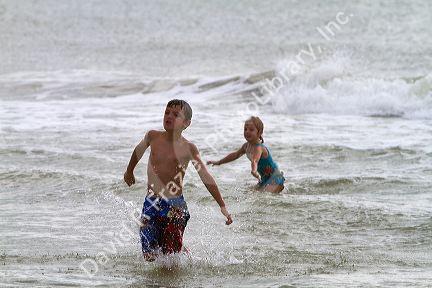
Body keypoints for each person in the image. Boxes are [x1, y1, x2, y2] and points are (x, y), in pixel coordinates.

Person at [124, 99, 233, 261]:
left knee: (170, 257)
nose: (169, 116)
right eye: (167, 112)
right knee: (149, 255)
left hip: (175, 207)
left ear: (186, 123)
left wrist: (222, 205)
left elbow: (205, 176)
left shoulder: (188, 148)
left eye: (176, 114)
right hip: (151, 203)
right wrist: (129, 171)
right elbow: (138, 151)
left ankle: (181, 253)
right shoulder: (152, 136)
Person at [207, 116, 285, 193]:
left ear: (259, 133)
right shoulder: (246, 146)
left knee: (264, 197)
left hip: (275, 178)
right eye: (245, 129)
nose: (247, 131)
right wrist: (219, 162)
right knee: (250, 193)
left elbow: (255, 160)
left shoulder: (259, 148)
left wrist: (254, 170)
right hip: (264, 179)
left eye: (251, 130)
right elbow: (235, 155)